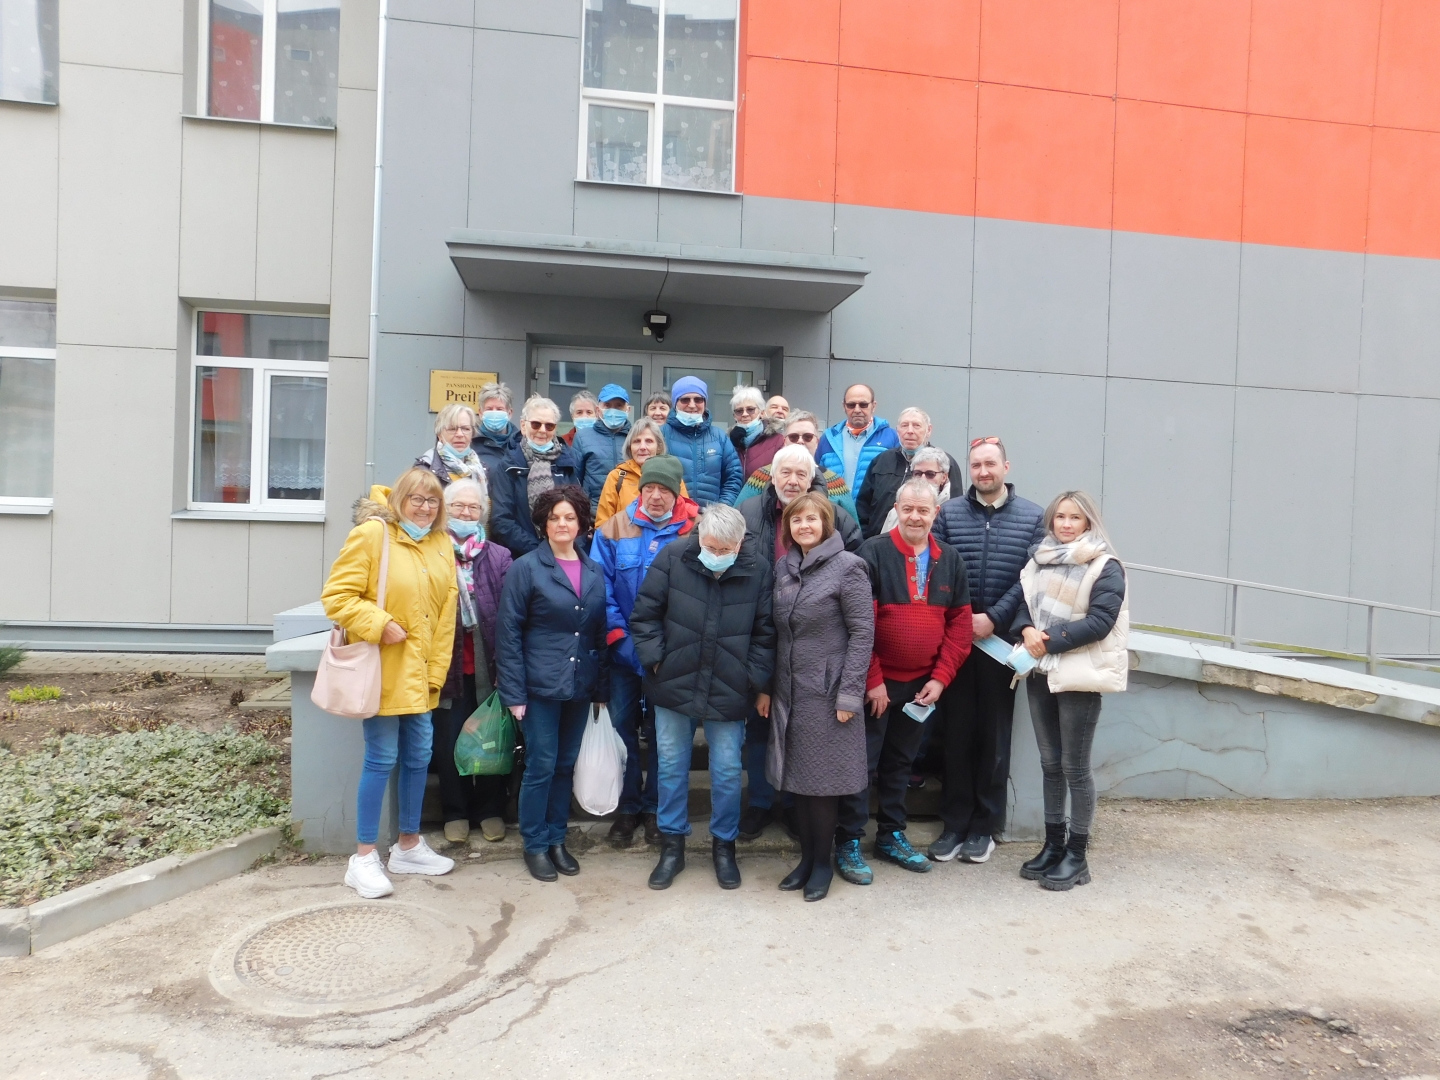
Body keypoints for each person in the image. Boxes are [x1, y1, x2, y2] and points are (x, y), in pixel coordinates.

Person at [321, 469, 459, 899]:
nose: (425, 507)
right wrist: (379, 624)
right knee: (381, 757)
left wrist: (435, 674)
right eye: (416, 499)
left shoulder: (441, 543)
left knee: (418, 757)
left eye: (433, 501)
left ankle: (408, 846)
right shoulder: (373, 535)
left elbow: (446, 618)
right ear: (399, 500)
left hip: (419, 676)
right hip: (382, 671)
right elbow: (337, 597)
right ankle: (363, 858)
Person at [629, 503, 775, 892]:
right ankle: (672, 846)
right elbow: (644, 616)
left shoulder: (758, 568)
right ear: (699, 536)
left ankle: (724, 846)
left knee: (727, 770)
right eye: (711, 547)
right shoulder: (674, 556)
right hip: (674, 681)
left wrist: (751, 678)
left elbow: (766, 633)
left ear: (740, 543)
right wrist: (656, 661)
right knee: (671, 766)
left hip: (730, 687)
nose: (717, 555)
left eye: (726, 550)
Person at [834, 480, 973, 885]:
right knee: (862, 764)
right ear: (896, 509)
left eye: (923, 510)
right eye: (908, 509)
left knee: (901, 763)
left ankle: (891, 835)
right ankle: (849, 839)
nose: (915, 517)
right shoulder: (872, 553)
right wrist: (872, 679)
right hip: (876, 686)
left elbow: (960, 627)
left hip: (921, 688)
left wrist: (941, 678)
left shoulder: (950, 560)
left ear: (935, 513)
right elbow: (858, 624)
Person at [735, 442, 862, 840]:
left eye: (800, 474)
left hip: (811, 639)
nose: (792, 480)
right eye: (785, 473)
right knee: (760, 724)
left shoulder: (834, 515)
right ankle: (760, 802)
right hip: (760, 629)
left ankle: (792, 804)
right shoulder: (748, 512)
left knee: (800, 733)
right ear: (771, 476)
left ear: (812, 479)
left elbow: (853, 580)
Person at [929, 437, 1046, 864]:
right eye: (976, 464)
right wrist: (965, 621)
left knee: (994, 737)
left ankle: (984, 827)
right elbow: (939, 567)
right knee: (955, 735)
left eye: (990, 464)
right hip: (957, 641)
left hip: (1002, 645)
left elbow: (1031, 577)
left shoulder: (1033, 517)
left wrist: (994, 618)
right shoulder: (948, 513)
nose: (983, 471)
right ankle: (954, 824)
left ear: (1005, 467)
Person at [757, 493, 874, 902]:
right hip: (790, 692)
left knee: (823, 785)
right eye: (796, 520)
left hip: (828, 694)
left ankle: (822, 865)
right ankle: (807, 860)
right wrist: (767, 687)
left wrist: (849, 694)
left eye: (811, 519)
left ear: (826, 524)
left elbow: (863, 633)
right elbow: (775, 633)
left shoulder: (849, 567)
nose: (803, 526)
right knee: (799, 782)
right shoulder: (784, 568)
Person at [1012, 491, 1129, 891]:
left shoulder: (1105, 566)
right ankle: (1054, 845)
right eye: (1059, 516)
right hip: (1040, 671)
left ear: (1088, 522)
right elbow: (1024, 603)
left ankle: (1077, 856)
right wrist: (1026, 629)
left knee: (1074, 768)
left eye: (1074, 517)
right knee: (1050, 764)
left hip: (1078, 675)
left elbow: (1100, 621)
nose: (1065, 524)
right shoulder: (1039, 559)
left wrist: (1046, 640)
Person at [496, 485, 610, 882]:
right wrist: (514, 693)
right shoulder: (526, 568)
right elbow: (508, 633)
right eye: (554, 517)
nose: (562, 524)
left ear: (581, 524)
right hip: (538, 687)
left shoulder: (593, 570)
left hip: (579, 685)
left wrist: (601, 689)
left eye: (570, 517)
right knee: (541, 765)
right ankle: (535, 844)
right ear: (544, 524)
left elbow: (598, 632)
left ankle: (557, 839)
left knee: (564, 765)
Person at [592, 455, 699, 847]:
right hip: (622, 654)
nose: (655, 496)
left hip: (671, 658)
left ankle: (655, 807)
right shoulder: (612, 529)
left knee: (663, 735)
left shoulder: (694, 531)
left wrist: (667, 649)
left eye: (664, 490)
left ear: (677, 493)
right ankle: (628, 807)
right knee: (622, 731)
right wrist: (622, 640)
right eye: (649, 488)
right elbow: (600, 590)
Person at [432, 478, 513, 844]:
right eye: (458, 506)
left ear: (483, 513)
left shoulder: (499, 556)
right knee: (449, 742)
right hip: (447, 666)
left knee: (491, 739)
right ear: (446, 509)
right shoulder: (432, 551)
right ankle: (455, 811)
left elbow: (510, 615)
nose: (466, 513)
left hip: (489, 664)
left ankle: (491, 808)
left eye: (473, 507)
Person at [489, 395, 583, 558]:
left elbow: (579, 512)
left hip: (564, 554)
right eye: (536, 424)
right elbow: (502, 520)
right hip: (523, 557)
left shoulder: (567, 462)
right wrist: (539, 551)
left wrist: (567, 548)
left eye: (549, 426)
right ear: (523, 425)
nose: (542, 430)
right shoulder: (508, 466)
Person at [855, 407, 964, 538]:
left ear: (928, 430)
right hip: (879, 543)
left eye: (916, 425)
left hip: (929, 543)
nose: (910, 431)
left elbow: (955, 510)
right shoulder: (881, 461)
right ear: (897, 430)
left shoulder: (944, 463)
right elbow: (863, 507)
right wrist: (867, 540)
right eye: (904, 425)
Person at [734, 411, 857, 521]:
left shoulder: (836, 483)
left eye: (807, 437)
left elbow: (851, 530)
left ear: (817, 442)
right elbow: (736, 518)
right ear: (784, 441)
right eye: (793, 437)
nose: (800, 441)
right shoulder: (760, 477)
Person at [593, 418, 689, 526]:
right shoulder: (616, 477)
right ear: (630, 447)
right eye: (637, 441)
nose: (642, 447)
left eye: (649, 441)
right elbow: (603, 524)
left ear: (658, 447)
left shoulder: (672, 476)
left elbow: (684, 517)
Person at [664, 376, 742, 506]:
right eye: (685, 399)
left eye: (698, 399)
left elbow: (733, 478)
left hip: (711, 517)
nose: (692, 405)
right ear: (675, 403)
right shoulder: (660, 435)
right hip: (672, 516)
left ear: (705, 403)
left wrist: (720, 510)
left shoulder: (720, 437)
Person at [815, 383, 899, 499]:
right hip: (833, 509)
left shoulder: (892, 438)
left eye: (863, 405)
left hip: (873, 509)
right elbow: (816, 478)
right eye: (851, 405)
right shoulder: (828, 438)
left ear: (873, 406)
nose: (857, 410)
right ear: (844, 406)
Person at [573, 382, 632, 505]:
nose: (613, 410)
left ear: (628, 410)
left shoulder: (635, 437)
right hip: (594, 510)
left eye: (619, 406)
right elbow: (575, 479)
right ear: (598, 410)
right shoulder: (583, 437)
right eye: (607, 405)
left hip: (628, 510)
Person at [415, 404, 489, 500]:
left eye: (465, 429)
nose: (460, 434)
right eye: (452, 429)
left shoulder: (481, 469)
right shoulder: (425, 469)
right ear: (439, 435)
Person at [875, 447, 953, 535]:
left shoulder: (953, 512)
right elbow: (884, 542)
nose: (923, 479)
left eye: (930, 474)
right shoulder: (896, 511)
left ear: (944, 477)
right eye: (918, 473)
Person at [729, 385, 786, 477]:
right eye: (739, 411)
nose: (744, 414)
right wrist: (732, 446)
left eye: (750, 409)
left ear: (762, 413)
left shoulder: (777, 440)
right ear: (734, 416)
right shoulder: (727, 442)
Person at [470, 381, 523, 482]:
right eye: (489, 409)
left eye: (499, 409)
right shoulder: (470, 442)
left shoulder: (521, 443)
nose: (494, 412)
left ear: (510, 413)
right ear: (480, 413)